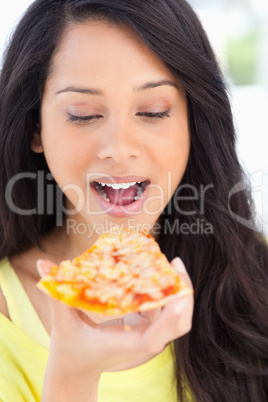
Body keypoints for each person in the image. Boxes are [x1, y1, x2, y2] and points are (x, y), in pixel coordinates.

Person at [0, 0, 267, 401]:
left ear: (193, 123)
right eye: (84, 114)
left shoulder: (255, 276)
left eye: (154, 111)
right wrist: (72, 377)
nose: (119, 148)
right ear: (36, 128)